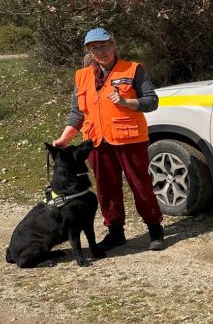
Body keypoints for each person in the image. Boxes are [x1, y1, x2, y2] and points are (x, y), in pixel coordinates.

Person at [53, 27, 165, 251]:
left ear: (113, 45)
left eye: (104, 45)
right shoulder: (82, 76)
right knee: (106, 189)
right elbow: (78, 113)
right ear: (89, 50)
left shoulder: (134, 70)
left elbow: (152, 101)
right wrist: (64, 139)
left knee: (140, 185)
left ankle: (155, 228)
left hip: (130, 139)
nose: (101, 51)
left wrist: (127, 102)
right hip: (96, 142)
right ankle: (115, 232)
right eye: (95, 47)